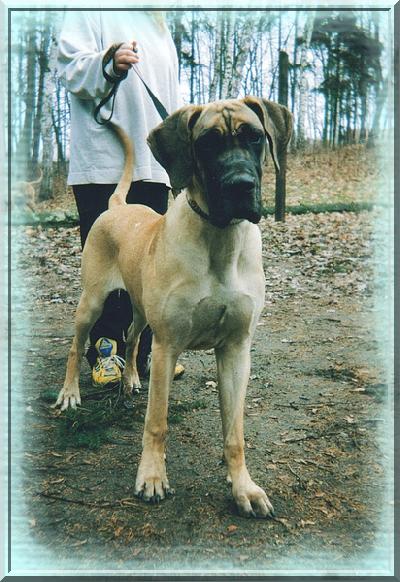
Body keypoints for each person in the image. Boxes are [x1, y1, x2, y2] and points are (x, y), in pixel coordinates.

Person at [57, 11, 184, 387]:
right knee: (107, 270)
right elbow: (71, 69)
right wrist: (108, 64)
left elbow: (171, 97)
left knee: (152, 268)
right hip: (102, 163)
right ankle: (105, 351)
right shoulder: (90, 9)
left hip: (154, 165)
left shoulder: (159, 25)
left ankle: (145, 353)